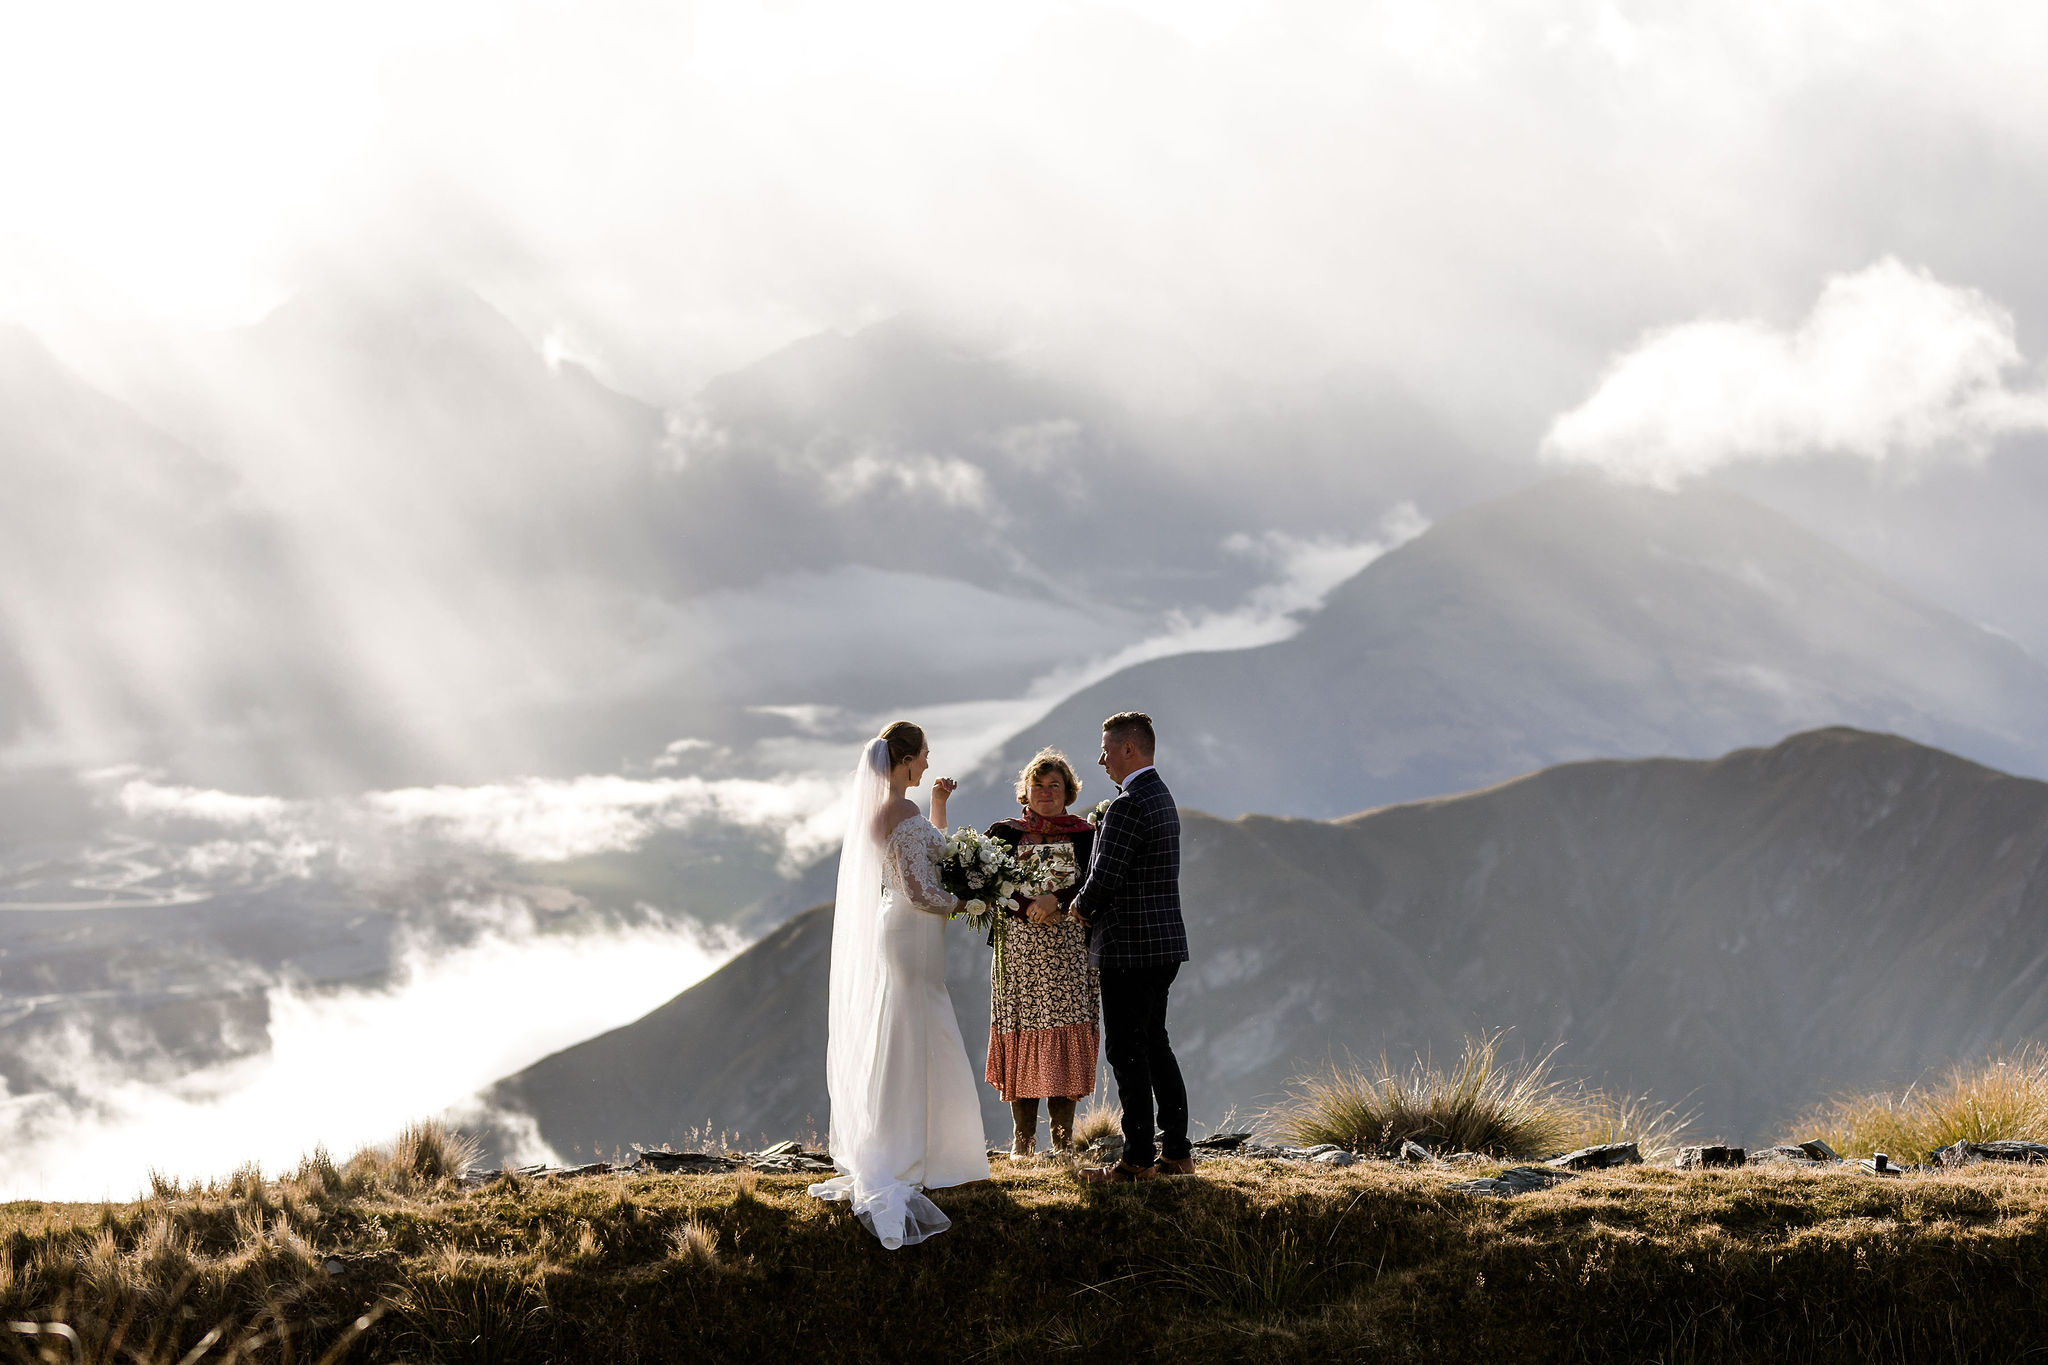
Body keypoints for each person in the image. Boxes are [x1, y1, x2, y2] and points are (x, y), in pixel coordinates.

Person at [807, 721, 990, 1247]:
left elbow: (927, 855)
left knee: (913, 1024)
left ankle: (919, 1146)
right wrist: (971, 902)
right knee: (921, 1022)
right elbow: (919, 887)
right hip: (915, 929)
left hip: (907, 930)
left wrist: (938, 806)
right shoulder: (899, 812)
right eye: (925, 756)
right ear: (905, 759)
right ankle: (922, 1153)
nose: (930, 762)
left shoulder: (890, 811)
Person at [1052, 711, 1194, 1182]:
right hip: (1163, 943)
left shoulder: (1129, 804)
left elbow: (1105, 878)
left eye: (1107, 750)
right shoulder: (1161, 795)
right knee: (1156, 1046)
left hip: (1129, 948)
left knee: (1127, 1052)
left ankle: (1136, 1160)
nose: (1101, 759)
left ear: (1129, 749)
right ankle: (1176, 1151)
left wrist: (1079, 909)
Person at [983, 748, 1099, 1158]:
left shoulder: (1085, 835)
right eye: (1039, 785)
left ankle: (1063, 1144)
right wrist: (1024, 905)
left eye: (1055, 786)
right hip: (1019, 953)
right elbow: (987, 881)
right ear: (1025, 791)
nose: (1046, 793)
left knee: (1064, 1035)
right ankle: (1023, 1143)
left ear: (1068, 791)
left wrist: (1055, 899)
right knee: (1023, 1038)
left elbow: (1094, 881)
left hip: (1068, 952)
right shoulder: (1005, 833)